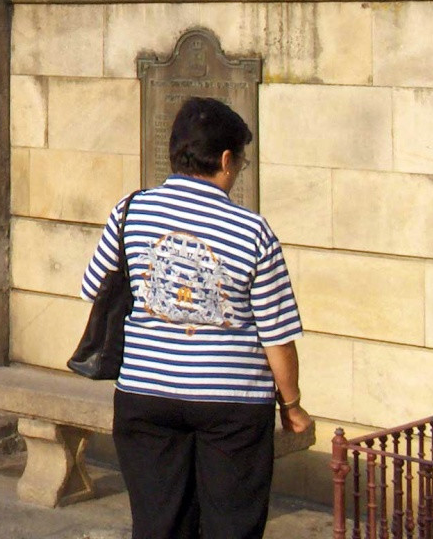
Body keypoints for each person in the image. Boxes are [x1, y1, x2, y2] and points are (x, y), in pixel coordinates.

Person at [81, 97, 310, 539]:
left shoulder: (130, 212)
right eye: (240, 160)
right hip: (231, 404)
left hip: (145, 394)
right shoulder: (253, 231)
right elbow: (276, 335)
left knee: (158, 524)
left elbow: (94, 288)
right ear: (226, 160)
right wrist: (292, 405)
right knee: (231, 526)